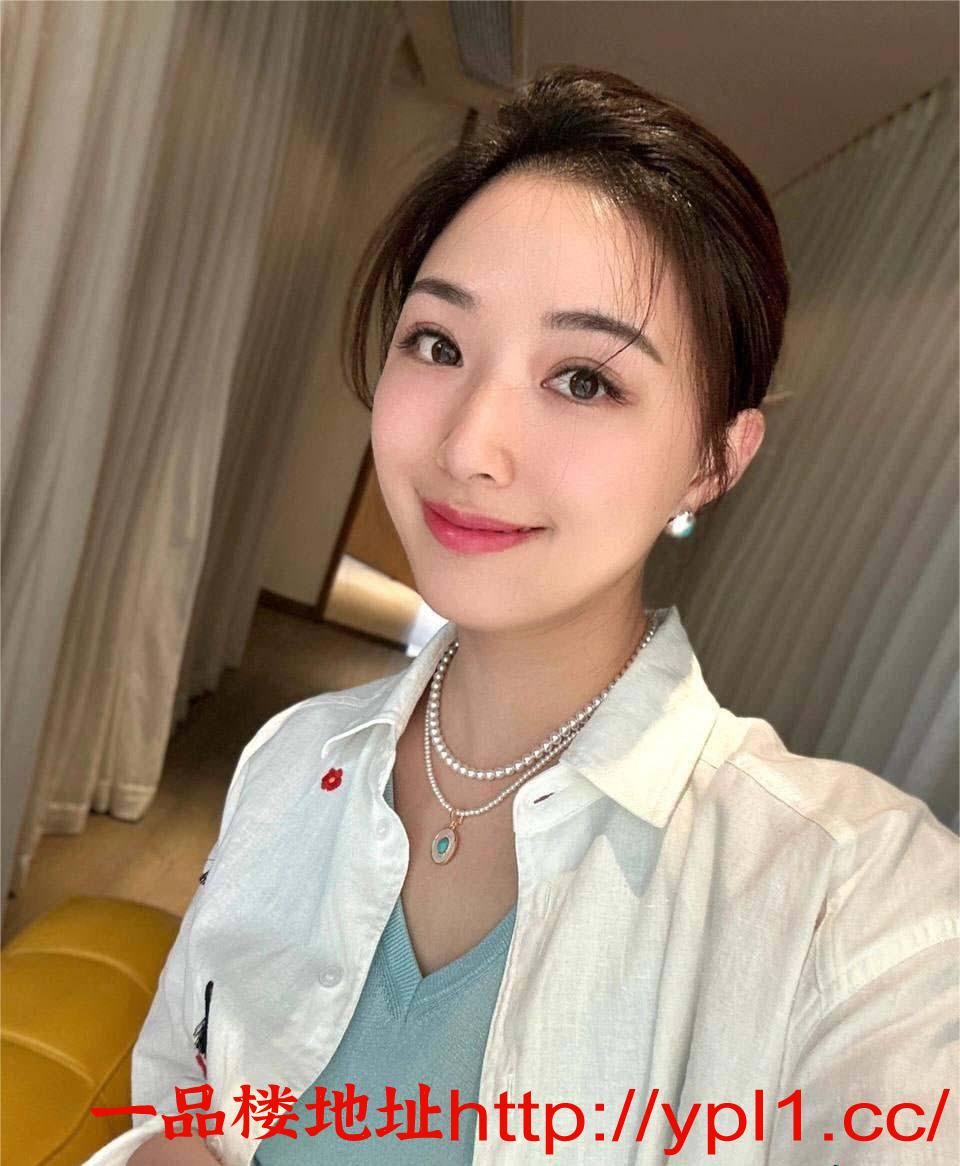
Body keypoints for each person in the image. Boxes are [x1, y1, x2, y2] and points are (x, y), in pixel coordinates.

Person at [89, 67, 958, 1166]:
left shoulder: (858, 901)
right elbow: (183, 1095)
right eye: (438, 344)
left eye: (584, 378)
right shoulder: (292, 759)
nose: (468, 447)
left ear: (714, 459)